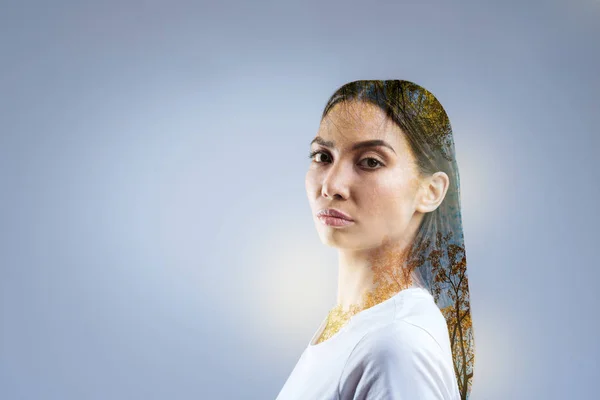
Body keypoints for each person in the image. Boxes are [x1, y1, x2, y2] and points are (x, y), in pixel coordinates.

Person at [275, 80, 475, 400]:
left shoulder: (396, 346)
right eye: (323, 156)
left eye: (370, 161)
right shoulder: (351, 324)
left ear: (430, 191)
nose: (331, 186)